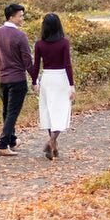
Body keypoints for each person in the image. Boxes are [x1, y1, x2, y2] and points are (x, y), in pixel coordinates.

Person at [0, 3, 36, 157]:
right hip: (17, 79)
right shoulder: (20, 35)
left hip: (2, 78)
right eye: (20, 15)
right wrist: (35, 78)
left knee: (6, 111)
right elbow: (27, 60)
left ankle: (12, 140)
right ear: (11, 17)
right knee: (12, 112)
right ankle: (2, 144)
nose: (22, 18)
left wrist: (1, 68)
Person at [31, 13, 75, 160]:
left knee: (49, 111)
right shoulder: (64, 43)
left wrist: (34, 82)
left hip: (47, 78)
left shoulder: (39, 44)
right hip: (61, 78)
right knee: (61, 112)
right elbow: (67, 64)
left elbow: (36, 65)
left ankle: (53, 145)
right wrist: (72, 85)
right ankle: (51, 142)